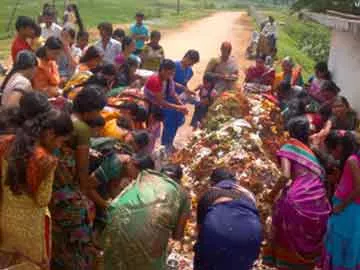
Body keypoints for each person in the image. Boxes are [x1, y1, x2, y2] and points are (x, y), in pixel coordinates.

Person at [0, 92, 73, 269]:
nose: (60, 146)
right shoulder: (46, 161)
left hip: (4, 218)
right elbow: (42, 200)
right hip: (30, 227)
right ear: (49, 134)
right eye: (61, 141)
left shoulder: (5, 142)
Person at [263, 116, 331, 269]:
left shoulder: (289, 147)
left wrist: (271, 195)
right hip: (318, 203)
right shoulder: (311, 152)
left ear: (290, 132)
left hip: (296, 201)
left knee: (283, 229)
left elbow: (285, 176)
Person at [51, 85, 107, 270]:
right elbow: (83, 178)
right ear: (90, 110)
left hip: (52, 188)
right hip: (66, 192)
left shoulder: (65, 115)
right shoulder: (82, 129)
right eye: (98, 110)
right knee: (78, 239)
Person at [101, 166, 190, 270]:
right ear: (179, 180)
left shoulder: (144, 177)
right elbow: (177, 235)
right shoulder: (182, 193)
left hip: (113, 230)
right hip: (142, 245)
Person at [194, 168, 262, 270]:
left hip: (218, 232)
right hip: (252, 234)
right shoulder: (249, 196)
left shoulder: (210, 194)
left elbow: (200, 229)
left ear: (213, 182)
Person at [321, 134, 360, 270]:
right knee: (349, 246)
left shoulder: (352, 160)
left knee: (339, 243)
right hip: (352, 210)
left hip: (348, 211)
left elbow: (358, 188)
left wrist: (341, 207)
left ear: (340, 146)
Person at [144, 59, 188, 154]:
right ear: (162, 70)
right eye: (169, 73)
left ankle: (149, 152)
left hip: (157, 110)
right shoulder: (155, 80)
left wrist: (181, 104)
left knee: (154, 134)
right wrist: (179, 108)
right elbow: (161, 102)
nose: (171, 75)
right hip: (149, 109)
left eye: (172, 73)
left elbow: (172, 93)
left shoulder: (168, 79)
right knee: (148, 133)